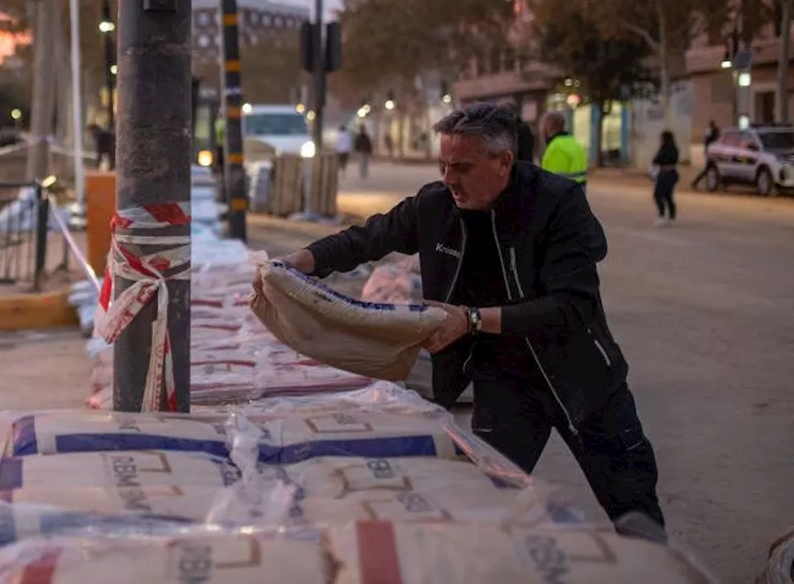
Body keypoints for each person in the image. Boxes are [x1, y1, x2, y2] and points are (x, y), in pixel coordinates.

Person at [276, 102, 665, 537]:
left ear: (503, 162)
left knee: (636, 516)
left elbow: (571, 308)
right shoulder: (437, 205)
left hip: (583, 379)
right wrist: (299, 262)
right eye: (443, 165)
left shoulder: (557, 204)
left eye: (461, 167)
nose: (448, 179)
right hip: (504, 384)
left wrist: (472, 320)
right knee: (487, 512)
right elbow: (368, 238)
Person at [539, 110, 589, 190]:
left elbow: (553, 183)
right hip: (578, 194)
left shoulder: (556, 148)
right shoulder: (574, 143)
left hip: (564, 198)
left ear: (547, 127)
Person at [652, 130, 680, 226]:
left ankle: (663, 215)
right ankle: (670, 216)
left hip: (669, 175)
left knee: (659, 194)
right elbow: (655, 160)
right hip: (662, 174)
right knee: (666, 195)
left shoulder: (671, 149)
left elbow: (666, 161)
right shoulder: (662, 148)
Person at [690, 120, 720, 189]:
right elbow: (708, 142)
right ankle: (699, 182)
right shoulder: (712, 132)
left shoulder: (711, 132)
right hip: (712, 153)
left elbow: (706, 142)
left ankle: (698, 182)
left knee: (709, 169)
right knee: (710, 169)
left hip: (711, 152)